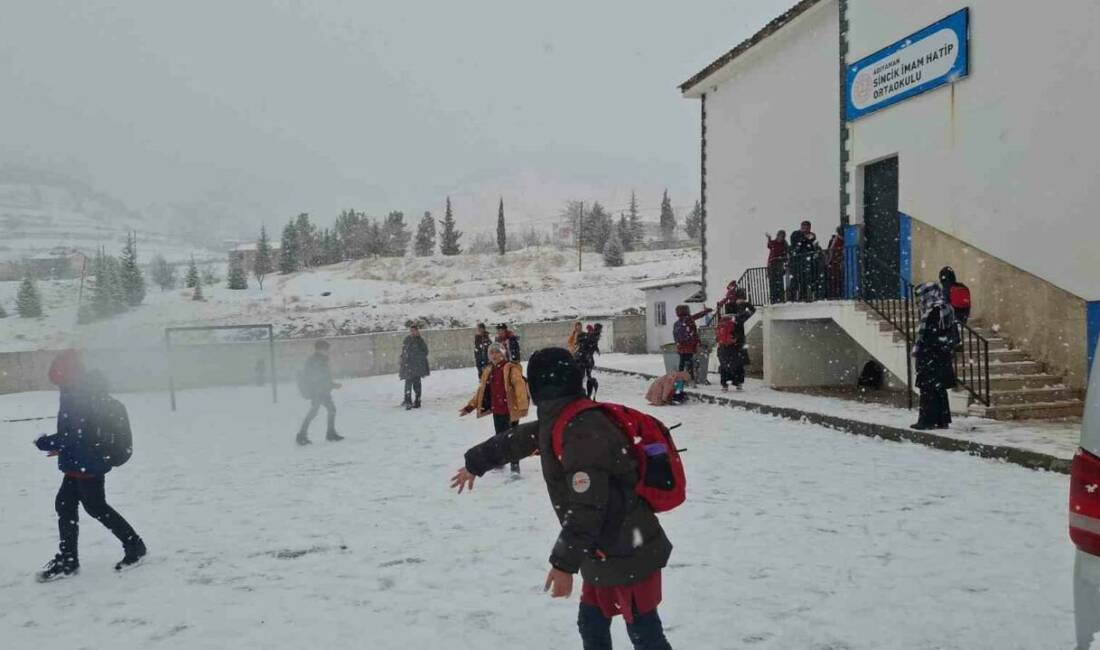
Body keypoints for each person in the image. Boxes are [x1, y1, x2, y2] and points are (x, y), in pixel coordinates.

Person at [450, 348, 674, 649]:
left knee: (644, 633)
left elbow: (588, 506)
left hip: (627, 547)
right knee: (592, 624)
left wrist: (564, 564)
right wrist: (475, 463)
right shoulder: (562, 417)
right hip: (601, 548)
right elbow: (515, 441)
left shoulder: (582, 430)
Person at [34, 350, 145, 582]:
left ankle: (134, 546)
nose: (57, 385)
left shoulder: (79, 395)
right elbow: (77, 434)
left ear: (67, 375)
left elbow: (75, 434)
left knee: (95, 507)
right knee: (65, 505)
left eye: (58, 380)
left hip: (89, 463)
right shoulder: (74, 392)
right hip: (79, 461)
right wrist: (62, 446)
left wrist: (47, 442)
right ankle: (68, 560)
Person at [460, 343, 530, 475]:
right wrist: (470, 406)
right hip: (497, 411)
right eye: (491, 353)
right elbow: (481, 392)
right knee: (499, 439)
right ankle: (500, 462)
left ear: (503, 353)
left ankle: (515, 466)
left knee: (512, 439)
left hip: (511, 411)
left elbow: (519, 386)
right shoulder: (489, 370)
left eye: (497, 352)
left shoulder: (510, 368)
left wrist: (522, 407)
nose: (494, 355)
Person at [911, 282, 959, 430]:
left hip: (931, 355)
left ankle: (927, 420)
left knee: (928, 389)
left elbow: (930, 335)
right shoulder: (946, 308)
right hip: (941, 355)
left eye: (920, 296)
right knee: (938, 389)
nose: (919, 301)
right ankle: (941, 419)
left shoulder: (934, 311)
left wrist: (923, 351)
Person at [297, 340, 343, 445]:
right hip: (317, 391)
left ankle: (330, 434)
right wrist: (332, 385)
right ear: (320, 349)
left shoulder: (321, 360)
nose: (328, 351)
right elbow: (317, 377)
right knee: (314, 412)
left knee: (330, 410)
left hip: (323, 390)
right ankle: (302, 435)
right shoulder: (315, 361)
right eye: (326, 349)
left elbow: (325, 377)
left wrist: (331, 384)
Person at [716, 289, 756, 391]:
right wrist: (745, 303)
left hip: (724, 347)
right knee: (738, 365)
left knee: (725, 365)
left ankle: (724, 385)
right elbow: (752, 310)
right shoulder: (738, 318)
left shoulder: (722, 319)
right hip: (737, 344)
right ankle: (738, 383)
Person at [672, 304, 712, 385]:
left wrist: (678, 344)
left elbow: (675, 335)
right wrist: (706, 311)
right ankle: (691, 381)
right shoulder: (688, 320)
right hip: (689, 346)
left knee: (682, 364)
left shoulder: (676, 323)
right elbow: (697, 316)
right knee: (690, 364)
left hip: (681, 347)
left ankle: (680, 382)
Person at [400, 324, 430, 410]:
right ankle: (408, 401)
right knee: (408, 384)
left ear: (417, 331)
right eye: (411, 331)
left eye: (414, 331)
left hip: (416, 367)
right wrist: (403, 359)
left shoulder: (420, 341)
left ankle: (417, 400)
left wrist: (417, 357)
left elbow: (425, 352)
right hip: (408, 366)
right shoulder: (407, 339)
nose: (412, 332)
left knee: (417, 384)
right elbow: (404, 351)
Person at [788, 220, 820, 301]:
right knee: (795, 281)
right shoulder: (796, 234)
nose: (806, 229)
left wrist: (813, 243)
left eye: (807, 227)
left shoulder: (812, 236)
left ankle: (804, 297)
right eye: (804, 227)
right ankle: (792, 298)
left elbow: (811, 247)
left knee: (805, 281)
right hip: (796, 262)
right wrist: (805, 238)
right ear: (801, 227)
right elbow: (795, 243)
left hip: (807, 262)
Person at [575, 323, 603, 399]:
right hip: (584, 358)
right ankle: (584, 394)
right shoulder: (592, 335)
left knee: (585, 376)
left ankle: (586, 394)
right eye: (600, 330)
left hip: (584, 358)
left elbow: (592, 344)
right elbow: (587, 343)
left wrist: (596, 349)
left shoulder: (592, 336)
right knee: (584, 376)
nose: (600, 332)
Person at [766, 230, 788, 303]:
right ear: (777, 235)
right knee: (772, 282)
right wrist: (769, 238)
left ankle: (780, 298)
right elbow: (769, 245)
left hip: (779, 264)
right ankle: (773, 298)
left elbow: (786, 253)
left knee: (779, 282)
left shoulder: (784, 244)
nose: (780, 237)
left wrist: (782, 259)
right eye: (779, 235)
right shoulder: (774, 242)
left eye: (782, 236)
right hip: (771, 264)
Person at [824, 226, 846, 299]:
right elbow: (830, 251)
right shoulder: (835, 240)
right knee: (834, 279)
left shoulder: (839, 240)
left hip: (837, 262)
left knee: (837, 279)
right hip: (834, 262)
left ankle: (837, 294)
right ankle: (834, 295)